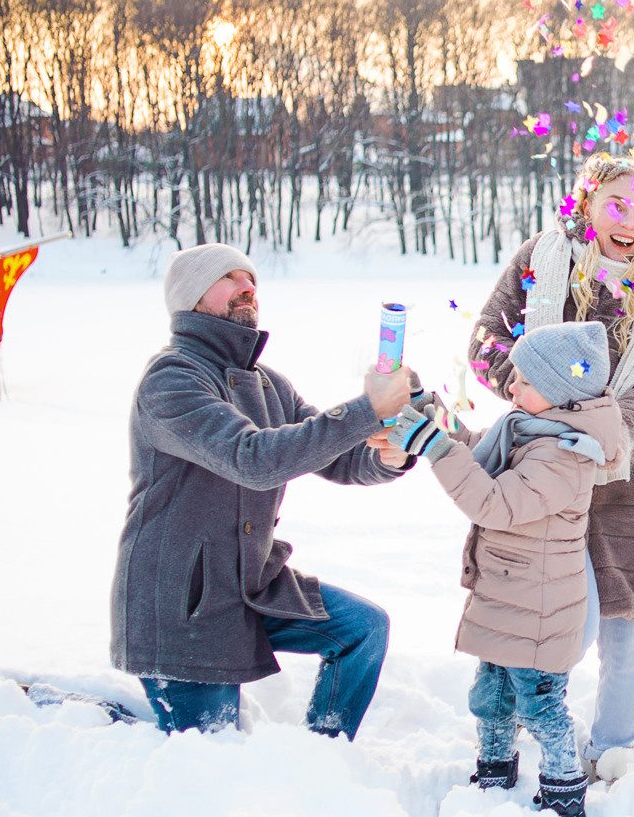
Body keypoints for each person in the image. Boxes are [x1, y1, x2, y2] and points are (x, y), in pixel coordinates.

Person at [111, 244, 412, 736]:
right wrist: (365, 409)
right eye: (228, 278)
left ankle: (322, 752)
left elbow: (336, 458)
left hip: (250, 586)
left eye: (251, 278)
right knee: (209, 758)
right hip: (182, 607)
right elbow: (254, 460)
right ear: (191, 296)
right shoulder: (170, 380)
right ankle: (98, 720)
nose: (247, 287)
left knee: (363, 628)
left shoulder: (269, 384)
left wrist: (388, 456)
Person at [469, 152, 634, 783]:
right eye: (617, 205)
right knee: (543, 607)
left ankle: (615, 748)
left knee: (629, 620)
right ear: (588, 203)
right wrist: (539, 399)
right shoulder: (539, 261)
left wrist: (611, 429)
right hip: (540, 462)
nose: (629, 220)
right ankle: (527, 723)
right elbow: (486, 340)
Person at [387, 321, 627, 817]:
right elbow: (476, 448)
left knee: (539, 705)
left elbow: (494, 503)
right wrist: (430, 411)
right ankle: (494, 770)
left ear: (561, 393)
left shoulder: (567, 455)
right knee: (491, 695)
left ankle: (563, 787)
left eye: (524, 382)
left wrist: (433, 448)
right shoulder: (530, 427)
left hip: (539, 611)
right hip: (509, 596)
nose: (511, 388)